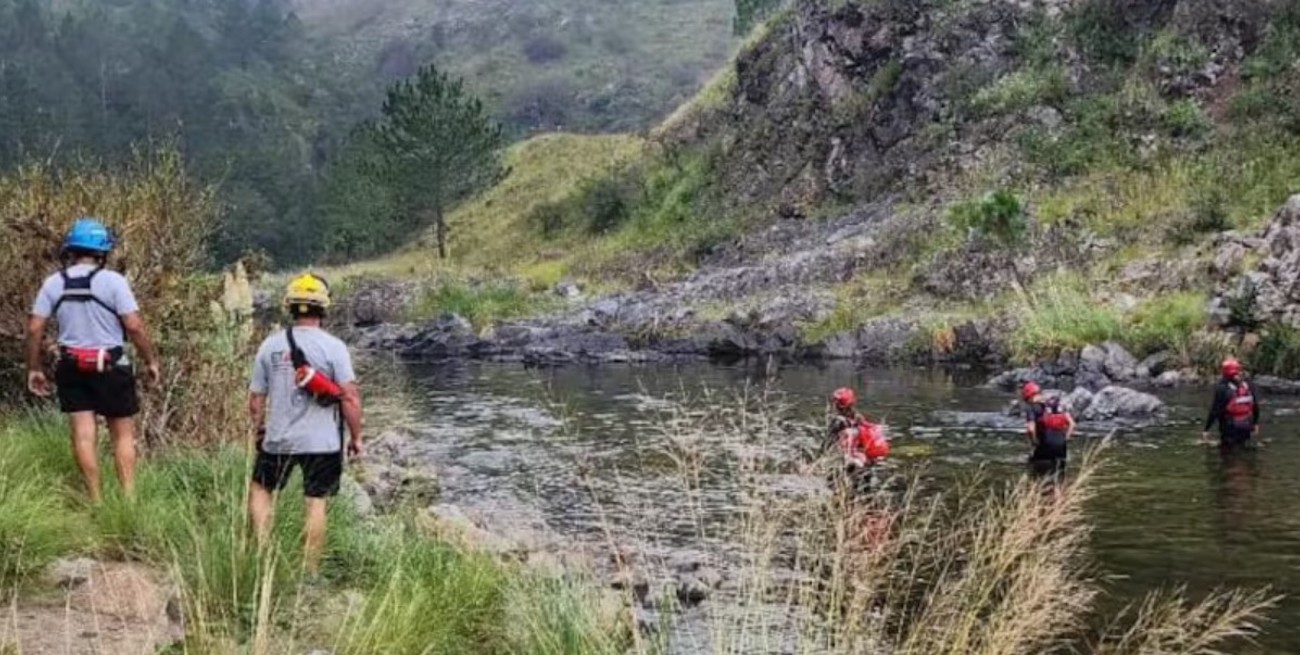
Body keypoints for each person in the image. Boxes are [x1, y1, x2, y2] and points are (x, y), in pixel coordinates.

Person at [26, 218, 161, 503]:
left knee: (83, 434)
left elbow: (35, 327)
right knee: (122, 435)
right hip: (111, 365)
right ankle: (128, 500)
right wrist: (151, 360)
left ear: (71, 250)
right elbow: (134, 326)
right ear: (102, 253)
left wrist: (34, 368)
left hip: (71, 366)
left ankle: (96, 500)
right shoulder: (114, 282)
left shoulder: (53, 283)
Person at [248, 273, 362, 576]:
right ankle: (309, 572)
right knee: (315, 503)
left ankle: (262, 558)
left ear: (290, 306)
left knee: (261, 489)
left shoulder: (269, 346)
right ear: (323, 309)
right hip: (323, 442)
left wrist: (259, 429)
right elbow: (350, 398)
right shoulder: (335, 347)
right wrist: (357, 437)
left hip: (278, 439)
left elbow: (256, 399)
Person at [827, 387, 890, 491]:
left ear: (837, 405)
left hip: (847, 463)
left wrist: (814, 463)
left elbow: (827, 444)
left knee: (833, 486)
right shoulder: (858, 418)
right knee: (864, 491)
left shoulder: (837, 422)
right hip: (863, 461)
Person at [1021, 381, 1075, 480]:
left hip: (1045, 446)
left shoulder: (1032, 407)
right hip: (1062, 447)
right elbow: (1072, 424)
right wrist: (1065, 439)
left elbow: (1031, 429)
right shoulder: (1054, 404)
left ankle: (1038, 493)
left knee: (1036, 474)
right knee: (1059, 477)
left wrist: (1034, 442)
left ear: (1028, 396)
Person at [1202, 358, 1259, 450]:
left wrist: (1206, 429)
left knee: (1227, 454)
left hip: (1229, 427)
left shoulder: (1223, 388)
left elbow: (1215, 410)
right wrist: (1255, 423)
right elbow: (1255, 406)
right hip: (1247, 424)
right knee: (1244, 449)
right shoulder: (1248, 385)